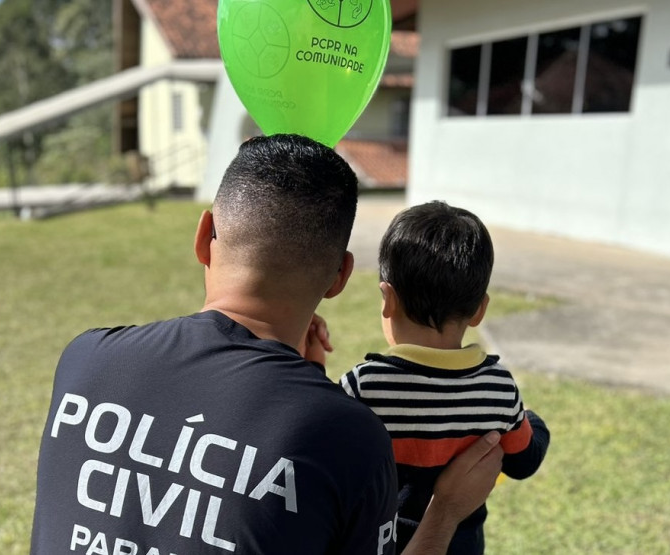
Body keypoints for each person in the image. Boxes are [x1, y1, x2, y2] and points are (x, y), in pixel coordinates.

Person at [30, 135, 504, 555]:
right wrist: (446, 512)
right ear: (340, 276)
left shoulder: (86, 360)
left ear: (202, 237)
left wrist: (308, 389)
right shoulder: (350, 438)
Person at [337, 201, 551, 554]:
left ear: (386, 299)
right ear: (480, 309)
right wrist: (533, 422)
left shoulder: (362, 387)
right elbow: (525, 461)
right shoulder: (497, 390)